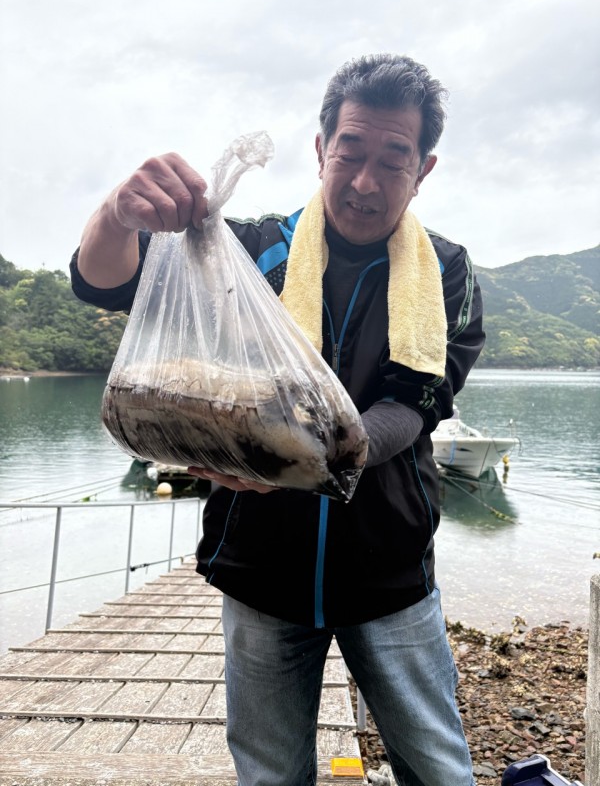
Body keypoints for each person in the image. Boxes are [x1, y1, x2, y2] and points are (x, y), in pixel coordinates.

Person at [71, 53, 484, 786]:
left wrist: (305, 463)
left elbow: (419, 401)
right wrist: (118, 212)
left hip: (391, 576)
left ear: (424, 169)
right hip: (261, 574)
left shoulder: (445, 269)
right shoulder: (247, 249)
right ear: (321, 148)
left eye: (394, 159)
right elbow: (105, 283)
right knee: (268, 775)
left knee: (439, 768)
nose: (365, 180)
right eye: (350, 151)